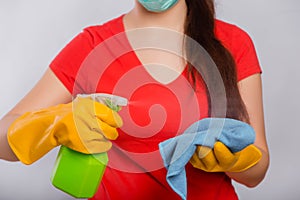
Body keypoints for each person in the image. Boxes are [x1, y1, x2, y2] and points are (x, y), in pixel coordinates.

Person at [0, 0, 269, 199]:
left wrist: (236, 160)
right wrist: (55, 124)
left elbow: (258, 171)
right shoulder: (92, 45)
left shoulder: (233, 43)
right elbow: (3, 138)